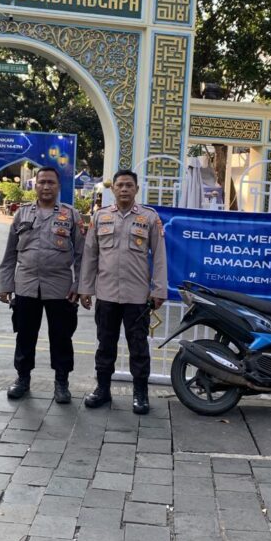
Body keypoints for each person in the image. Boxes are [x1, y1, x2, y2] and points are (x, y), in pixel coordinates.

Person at [79, 169, 168, 415]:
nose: (125, 189)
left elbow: (159, 256)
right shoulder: (100, 216)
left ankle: (140, 394)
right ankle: (103, 390)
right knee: (105, 345)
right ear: (113, 189)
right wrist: (85, 288)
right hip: (106, 294)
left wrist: (158, 289)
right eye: (120, 185)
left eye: (129, 185)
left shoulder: (149, 218)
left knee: (138, 347)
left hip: (137, 296)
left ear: (137, 189)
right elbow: (90, 255)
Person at [0, 166, 84, 404]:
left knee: (61, 336)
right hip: (26, 285)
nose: (46, 187)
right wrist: (5, 285)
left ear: (58, 186)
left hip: (60, 287)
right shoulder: (22, 214)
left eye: (51, 183)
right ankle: (22, 379)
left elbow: (81, 255)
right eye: (42, 182)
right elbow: (9, 255)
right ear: (35, 186)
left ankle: (62, 383)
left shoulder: (71, 215)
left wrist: (79, 285)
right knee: (25, 335)